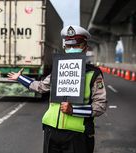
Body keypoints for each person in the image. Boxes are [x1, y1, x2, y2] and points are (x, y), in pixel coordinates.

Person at [7, 25, 107, 153]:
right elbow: (41, 87)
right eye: (69, 46)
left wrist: (74, 110)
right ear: (65, 48)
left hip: (77, 135)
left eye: (76, 46)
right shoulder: (59, 69)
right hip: (51, 131)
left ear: (85, 48)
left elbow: (100, 105)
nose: (72, 49)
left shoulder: (93, 73)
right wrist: (21, 78)